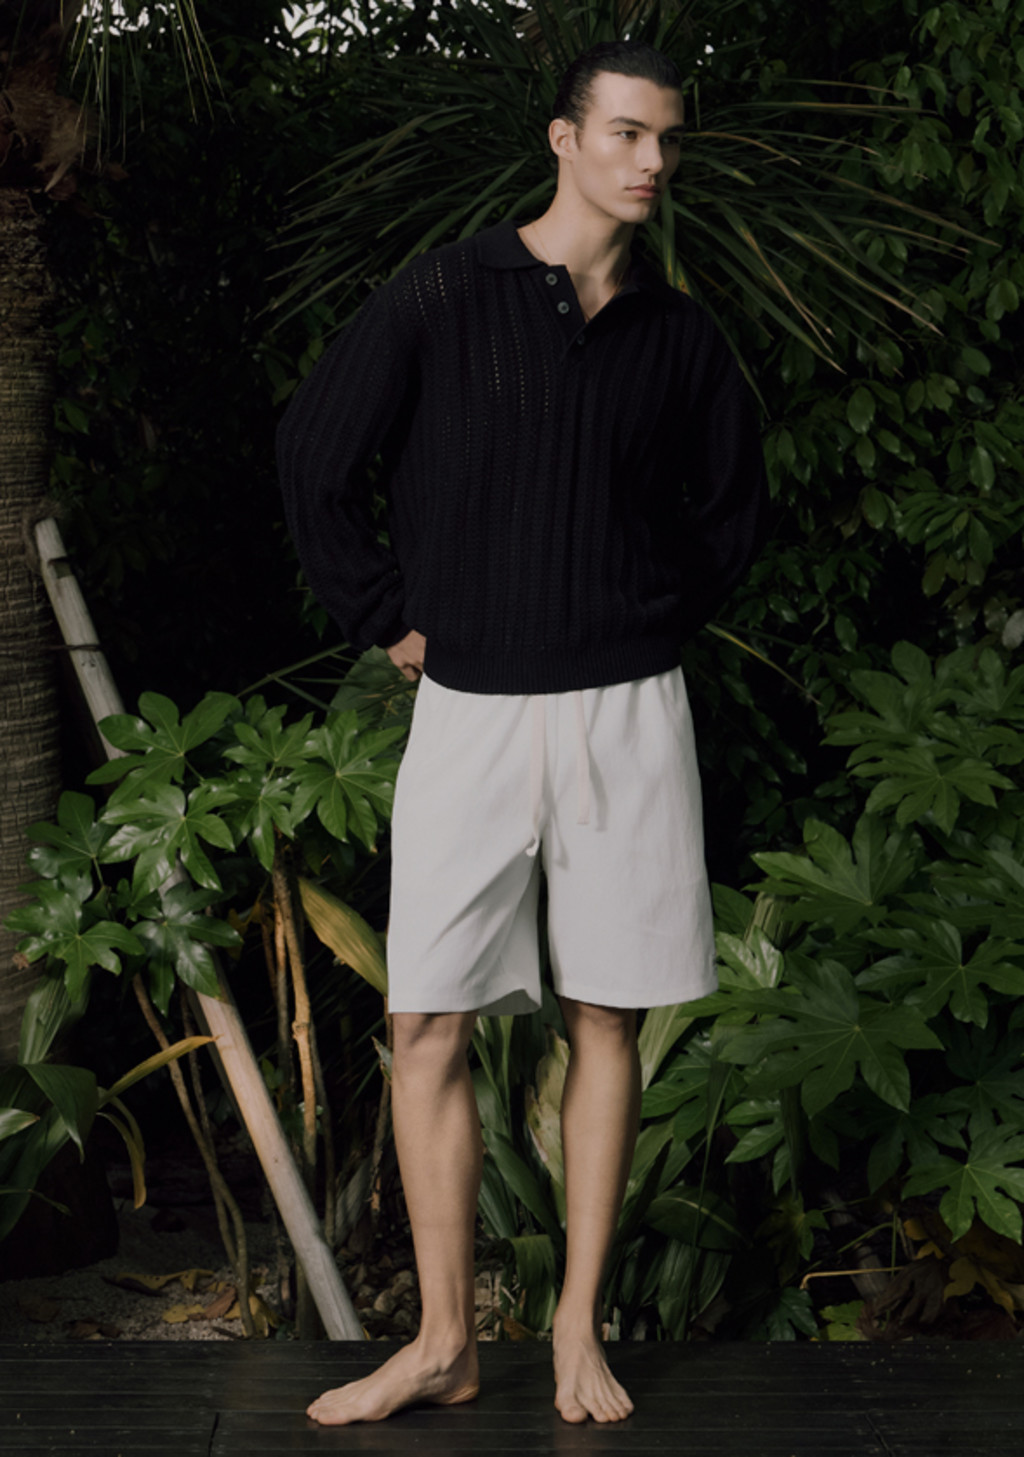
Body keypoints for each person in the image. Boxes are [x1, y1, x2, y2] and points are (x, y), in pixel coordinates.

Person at [277, 39, 767, 1426]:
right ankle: (443, 1341)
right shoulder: (447, 292)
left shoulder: (679, 337)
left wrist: (645, 615)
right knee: (427, 1016)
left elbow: (734, 512)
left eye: (667, 139)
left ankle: (572, 1327)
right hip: (471, 710)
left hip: (628, 708)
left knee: (607, 1011)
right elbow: (316, 450)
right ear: (563, 139)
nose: (652, 162)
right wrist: (388, 614)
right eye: (625, 133)